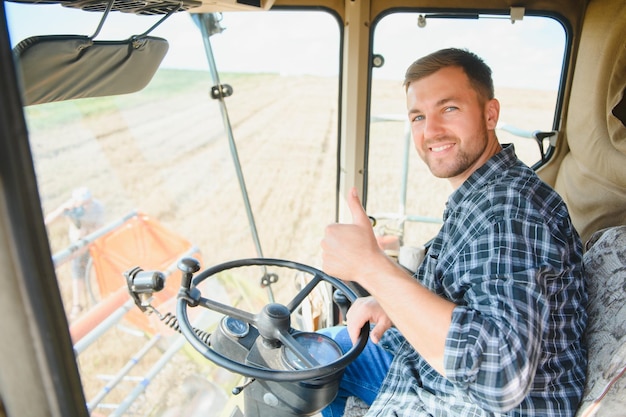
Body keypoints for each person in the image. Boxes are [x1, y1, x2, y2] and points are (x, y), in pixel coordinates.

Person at [321, 48, 587, 416]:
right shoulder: (483, 194)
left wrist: (372, 269)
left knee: (305, 365)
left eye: (449, 109)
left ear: (490, 114)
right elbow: (468, 292)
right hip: (436, 379)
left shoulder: (510, 209)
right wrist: (390, 301)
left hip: (466, 402)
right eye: (418, 116)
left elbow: (500, 375)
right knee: (322, 351)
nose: (430, 131)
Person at [45, 187, 105, 320]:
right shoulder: (72, 208)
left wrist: (86, 232)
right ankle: (77, 305)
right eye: (83, 203)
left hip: (95, 245)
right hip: (78, 246)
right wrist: (62, 209)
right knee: (77, 274)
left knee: (101, 271)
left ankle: (103, 299)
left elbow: (100, 229)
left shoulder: (98, 207)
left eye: (88, 202)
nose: (86, 206)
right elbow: (47, 221)